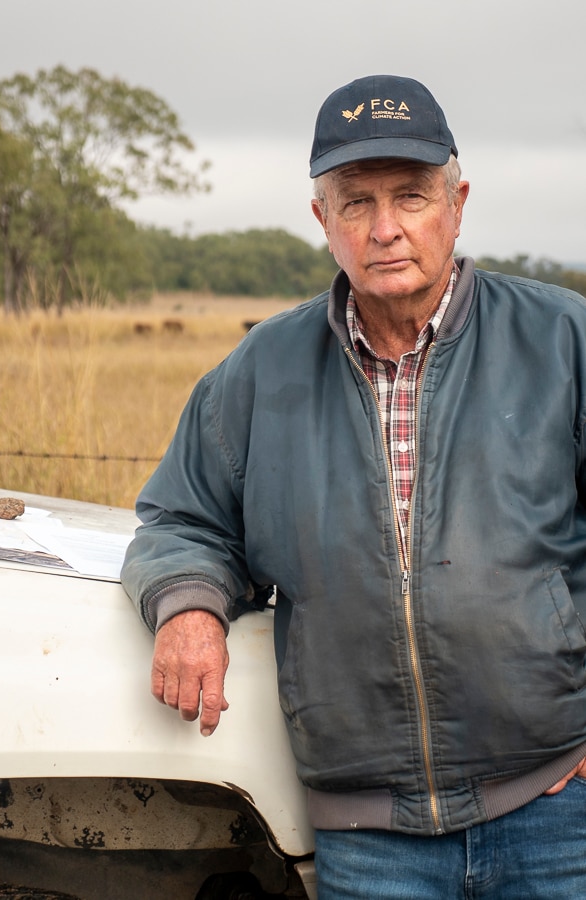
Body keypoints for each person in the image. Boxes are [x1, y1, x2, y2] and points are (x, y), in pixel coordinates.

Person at [121, 74, 586, 898]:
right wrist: (189, 603)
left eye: (410, 197)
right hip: (369, 837)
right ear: (321, 219)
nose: (385, 229)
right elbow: (182, 518)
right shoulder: (262, 370)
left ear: (457, 201)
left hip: (557, 808)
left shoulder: (561, 340)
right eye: (354, 202)